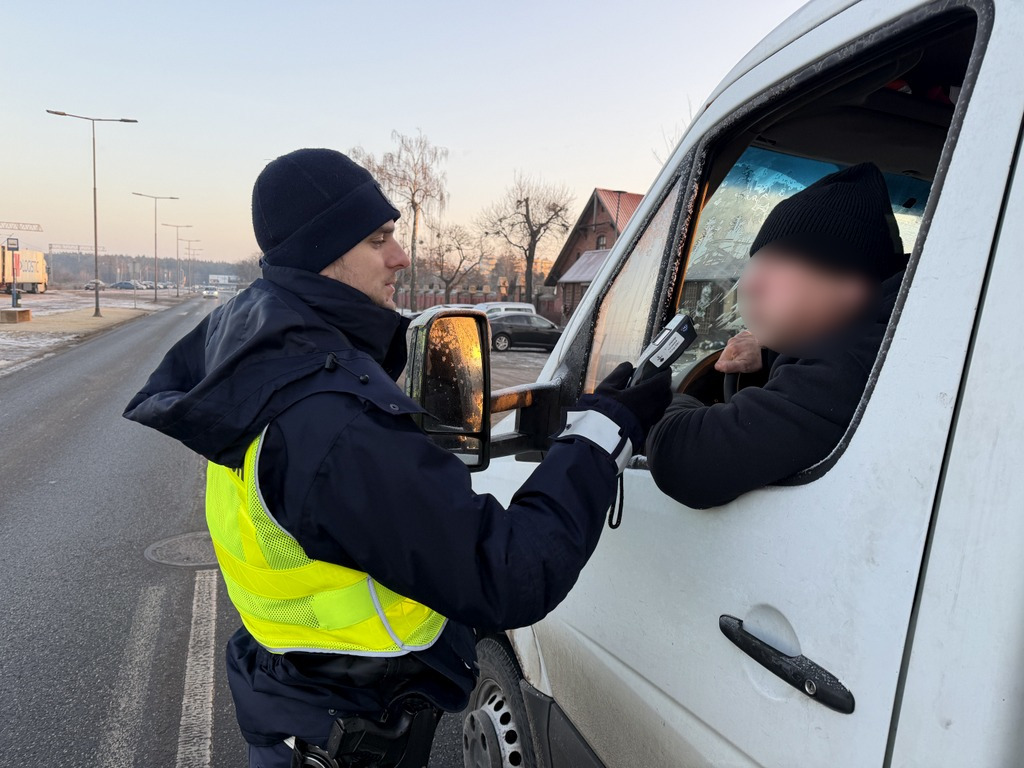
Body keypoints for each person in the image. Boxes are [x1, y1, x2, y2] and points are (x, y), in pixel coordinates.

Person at [123, 148, 672, 768]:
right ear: (322, 254)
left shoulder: (260, 357)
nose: (401, 256)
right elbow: (510, 571)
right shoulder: (331, 420)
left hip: (301, 703)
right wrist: (602, 432)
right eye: (378, 239)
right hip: (345, 734)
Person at [647, 162, 906, 509]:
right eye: (756, 262)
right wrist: (767, 354)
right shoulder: (883, 334)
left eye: (780, 263)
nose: (749, 285)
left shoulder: (863, 361)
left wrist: (662, 401)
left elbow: (686, 459)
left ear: (851, 285)